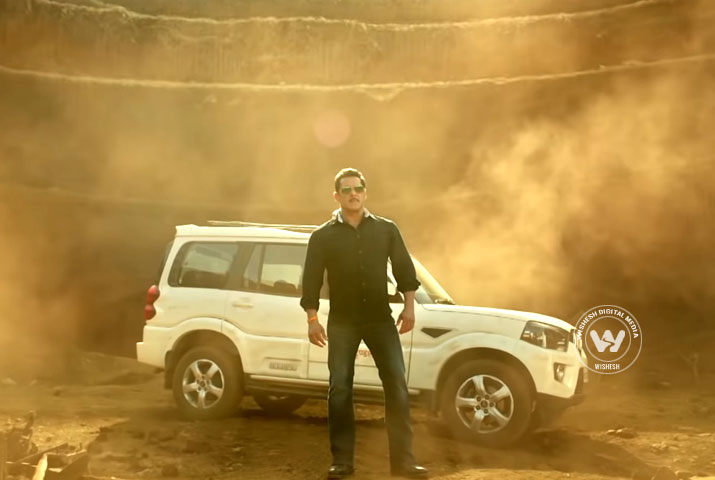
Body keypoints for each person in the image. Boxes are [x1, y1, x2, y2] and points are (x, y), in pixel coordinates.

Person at [300, 168, 429, 479]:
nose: (353, 194)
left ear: (365, 193)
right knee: (340, 387)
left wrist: (409, 308)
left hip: (379, 319)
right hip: (342, 321)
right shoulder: (322, 236)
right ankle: (342, 462)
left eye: (358, 188)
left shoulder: (386, 229)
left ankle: (404, 463)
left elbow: (404, 269)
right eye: (346, 190)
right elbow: (311, 280)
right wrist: (312, 319)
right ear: (337, 196)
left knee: (396, 384)